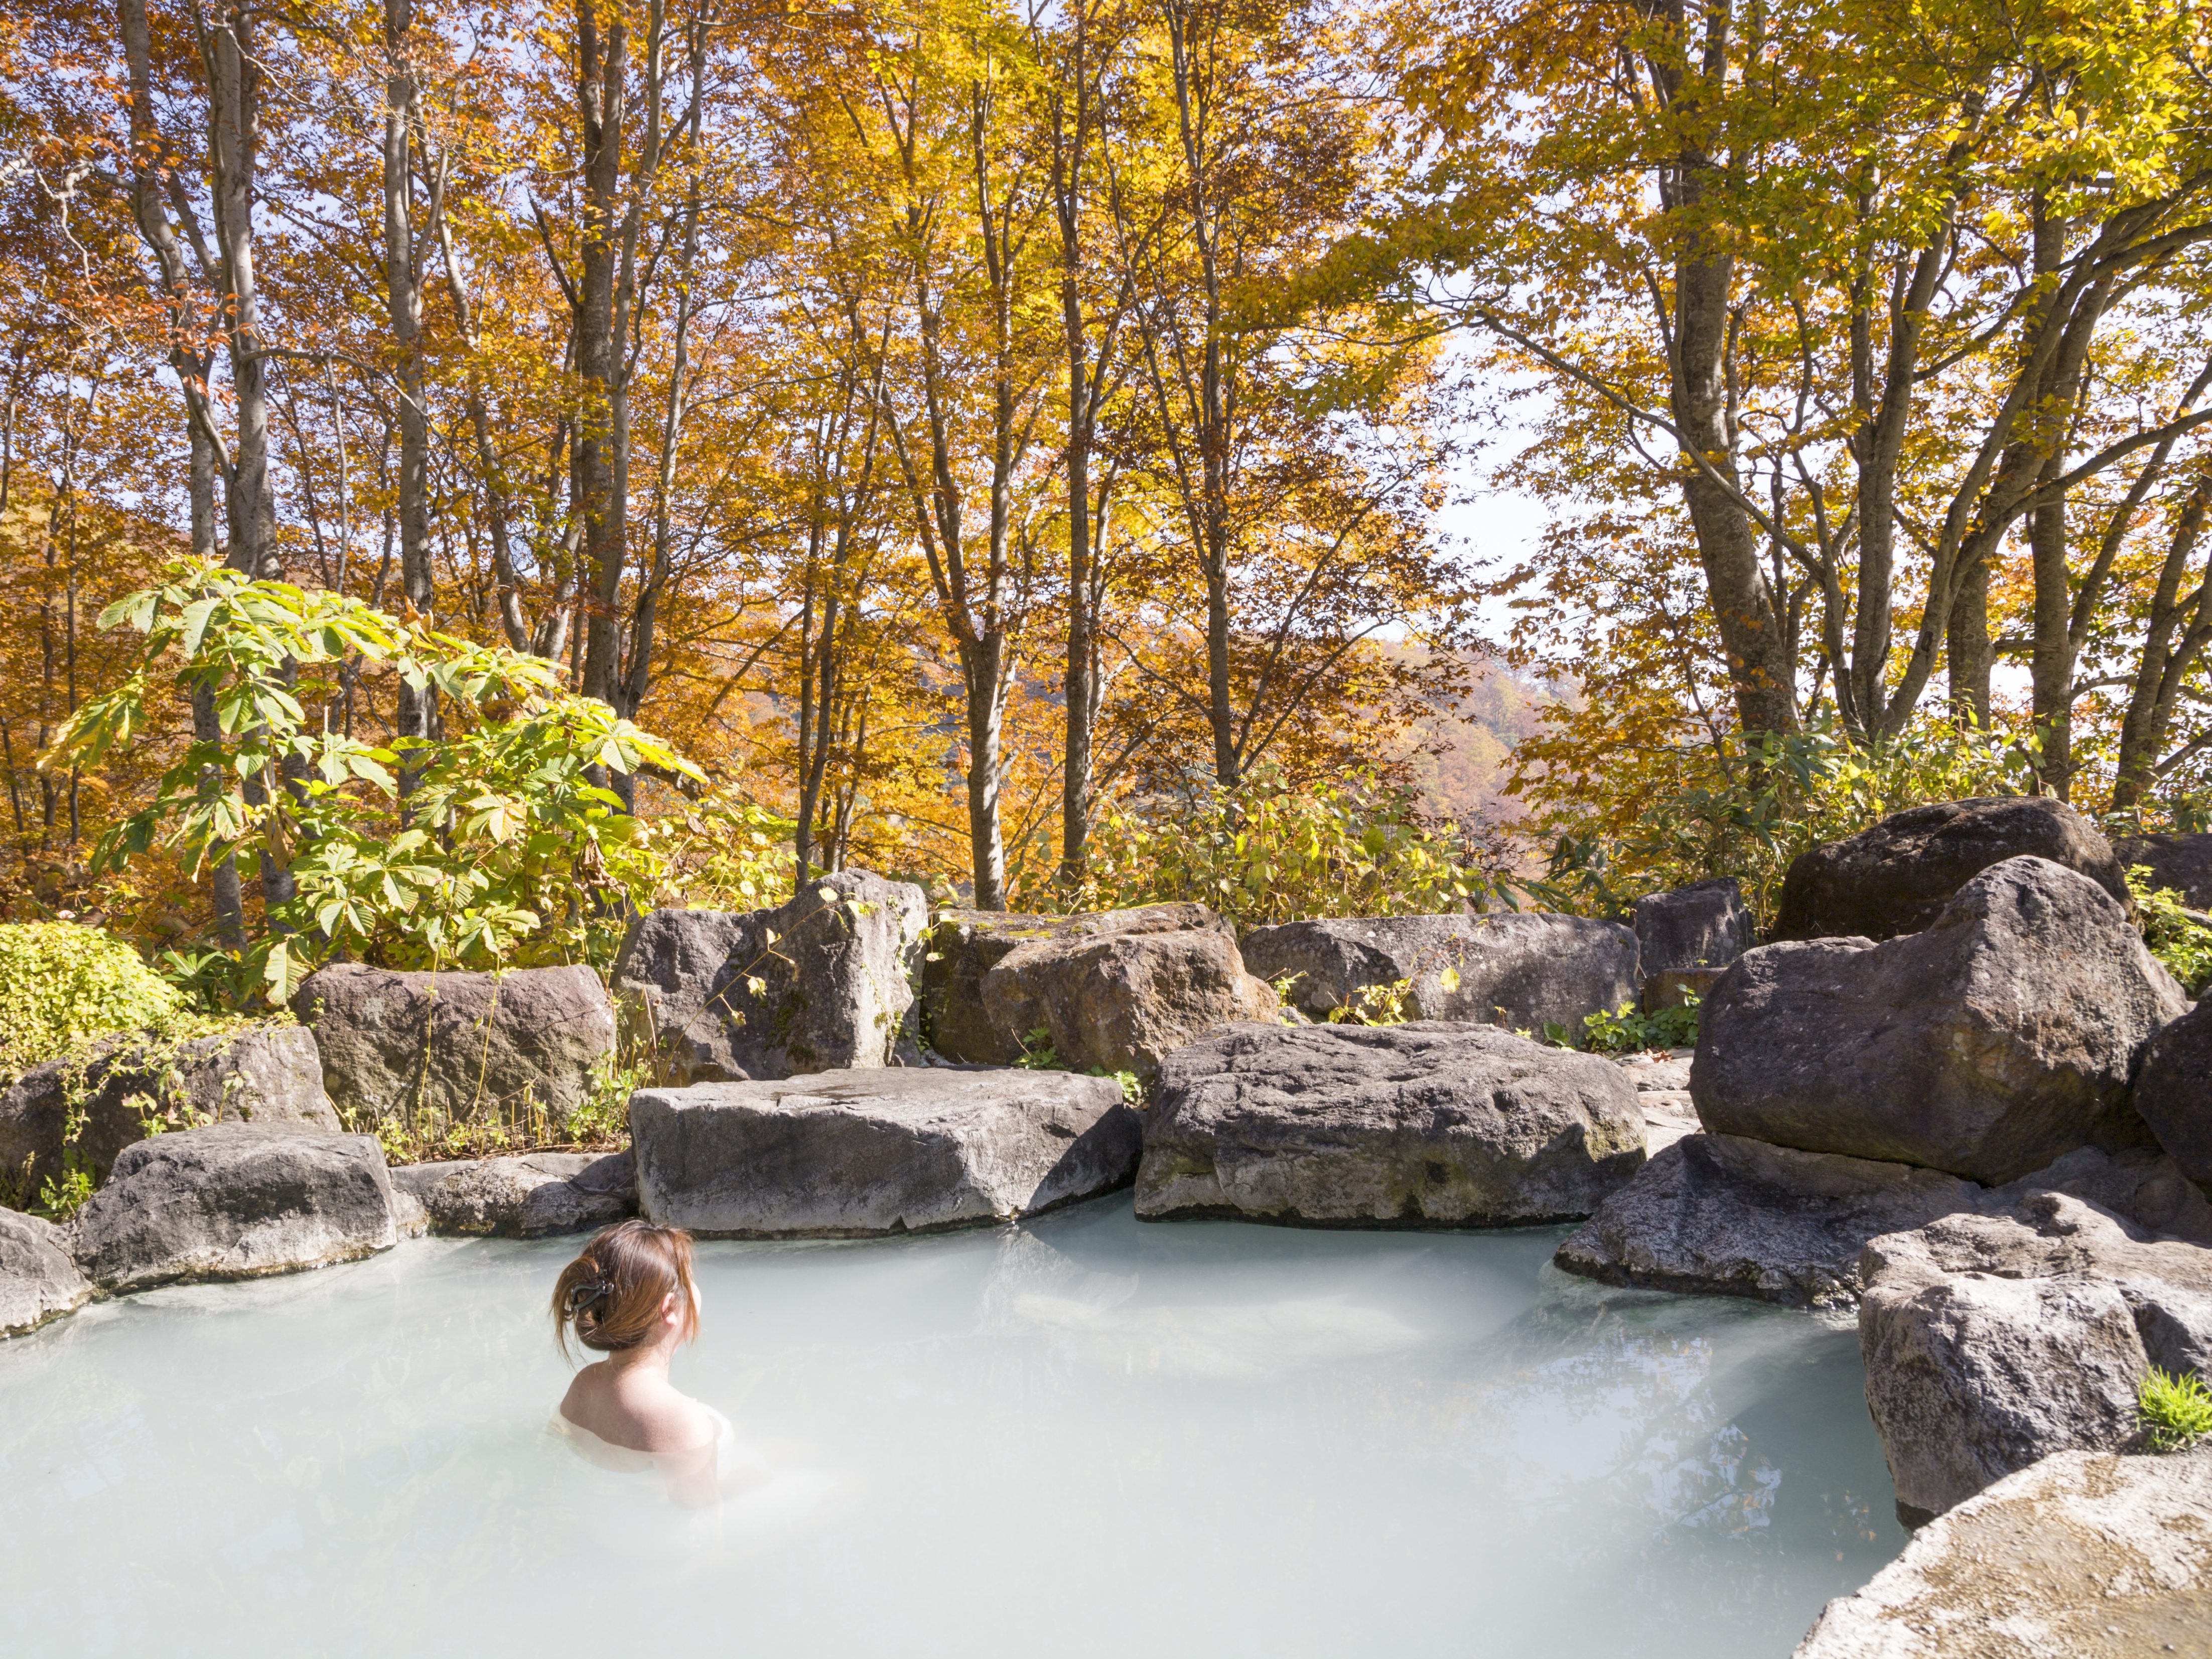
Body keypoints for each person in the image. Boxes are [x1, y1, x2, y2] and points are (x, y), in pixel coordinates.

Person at [550, 1220, 725, 1498]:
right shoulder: (682, 1425)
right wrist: (753, 1482)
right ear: (669, 1308)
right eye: (691, 1280)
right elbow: (699, 1517)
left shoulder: (584, 1385)